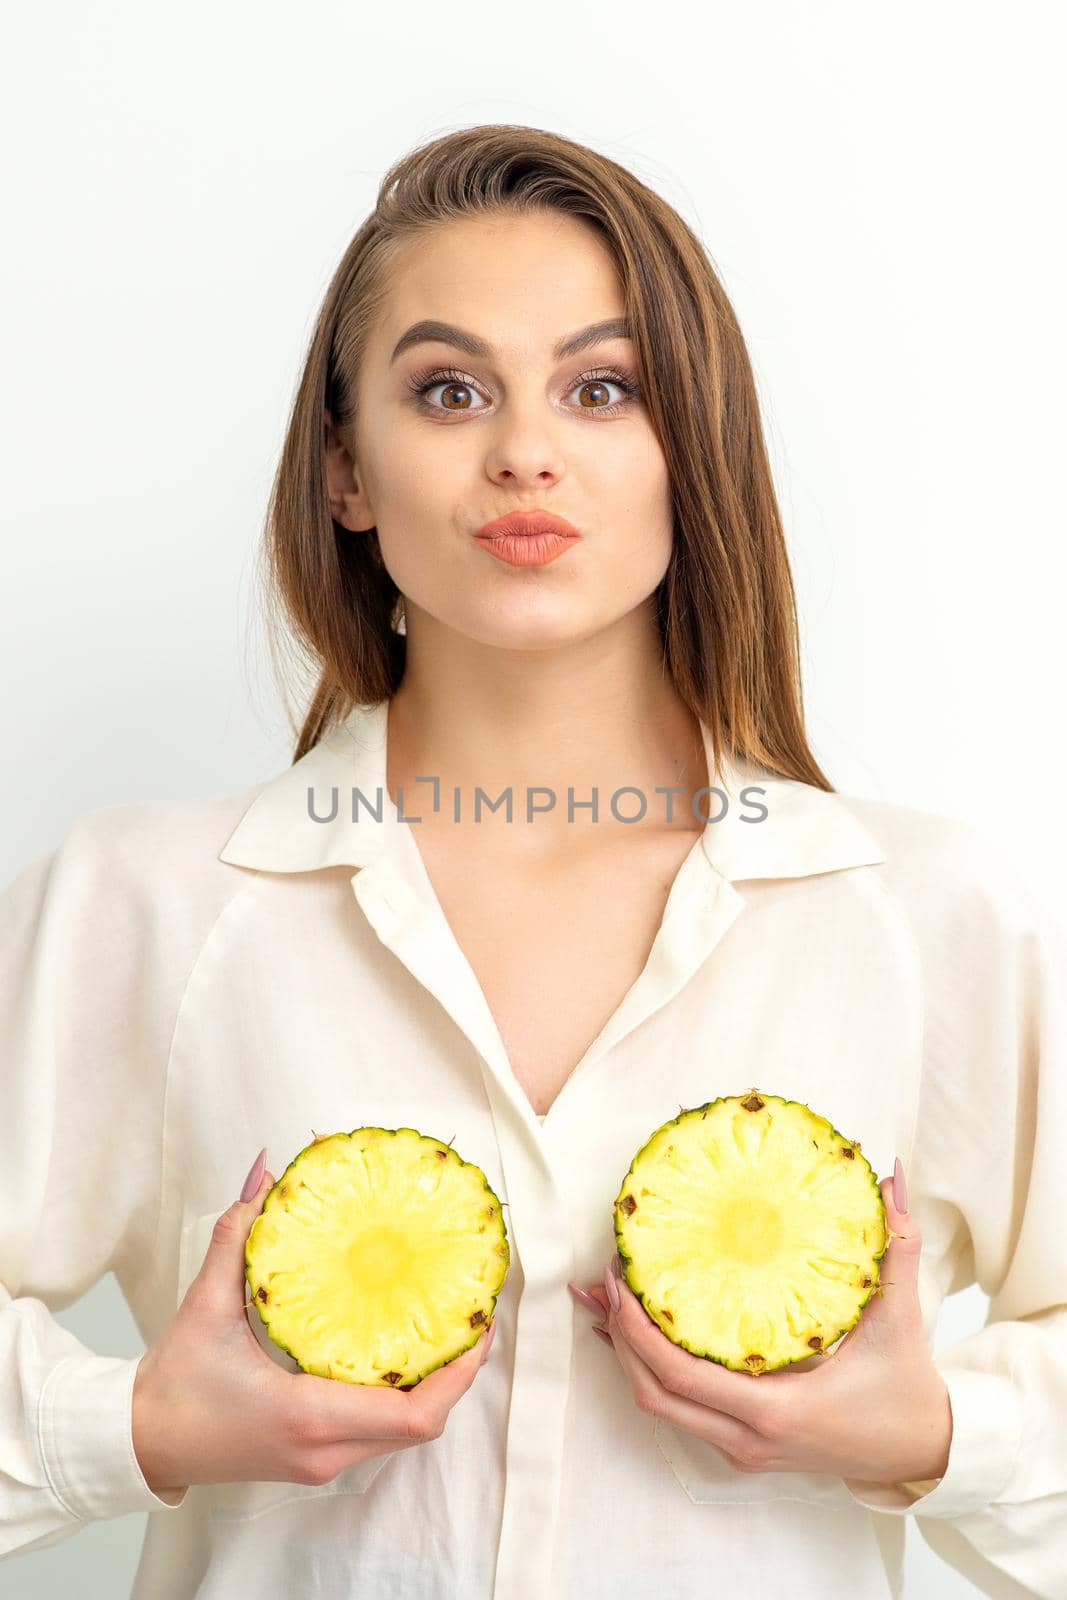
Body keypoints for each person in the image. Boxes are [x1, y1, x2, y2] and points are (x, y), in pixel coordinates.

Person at [2, 123, 1064, 1600]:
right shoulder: (144, 906)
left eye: (603, 386)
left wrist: (948, 1431)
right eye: (448, 389)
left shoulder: (927, 920)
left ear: (694, 450)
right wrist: (135, 1427)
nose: (524, 450)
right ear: (346, 474)